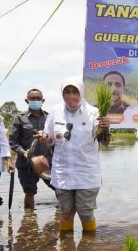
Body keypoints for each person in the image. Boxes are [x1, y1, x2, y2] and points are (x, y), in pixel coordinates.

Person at [35, 78, 110, 234]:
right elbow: (50, 139)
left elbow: (105, 142)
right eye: (67, 92)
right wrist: (45, 138)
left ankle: (88, 248)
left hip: (87, 174)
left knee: (85, 212)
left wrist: (105, 128)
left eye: (74, 92)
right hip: (62, 172)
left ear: (81, 92)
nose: (71, 96)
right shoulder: (55, 111)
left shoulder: (94, 113)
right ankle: (65, 249)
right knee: (65, 213)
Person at [9, 89, 48, 209]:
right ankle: (29, 220)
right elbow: (13, 141)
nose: (36, 100)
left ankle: (60, 219)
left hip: (48, 161)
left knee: (60, 190)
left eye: (38, 98)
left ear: (43, 100)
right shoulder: (20, 118)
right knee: (29, 192)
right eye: (32, 98)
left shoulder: (49, 117)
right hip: (26, 163)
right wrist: (23, 152)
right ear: (27, 101)